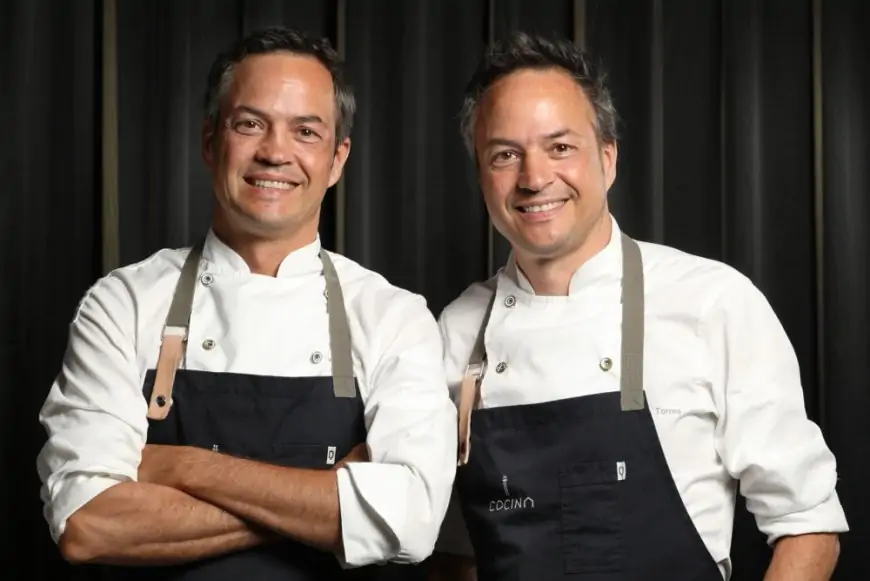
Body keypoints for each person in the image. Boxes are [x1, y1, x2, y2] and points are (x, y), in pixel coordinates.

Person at [36, 26, 457, 580]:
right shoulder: (124, 303)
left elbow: (410, 521)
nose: (275, 152)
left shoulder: (393, 316)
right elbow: (88, 524)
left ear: (337, 160)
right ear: (211, 143)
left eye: (306, 131)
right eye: (250, 124)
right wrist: (330, 502)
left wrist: (183, 466)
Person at [427, 32, 848, 581]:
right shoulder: (457, 332)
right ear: (481, 176)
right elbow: (461, 554)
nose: (533, 179)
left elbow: (807, 525)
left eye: (560, 147)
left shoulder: (712, 302)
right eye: (505, 154)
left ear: (608, 158)